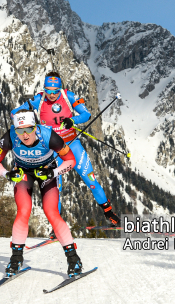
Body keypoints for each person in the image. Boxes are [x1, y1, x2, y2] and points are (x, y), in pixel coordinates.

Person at [11, 72, 120, 229]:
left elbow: (86, 114)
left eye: (55, 91)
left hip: (73, 145)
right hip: (52, 151)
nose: (52, 94)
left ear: (60, 89)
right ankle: (57, 227)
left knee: (91, 181)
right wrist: (26, 123)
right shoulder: (38, 100)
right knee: (56, 189)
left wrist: (72, 120)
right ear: (44, 89)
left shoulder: (68, 96)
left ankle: (109, 214)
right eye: (48, 90)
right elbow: (14, 113)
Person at [0, 109, 83, 278]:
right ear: (15, 129)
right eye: (20, 130)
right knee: (23, 211)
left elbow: (71, 160)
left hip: (46, 171)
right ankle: (16, 259)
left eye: (29, 129)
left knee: (51, 211)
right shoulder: (9, 137)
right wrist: (8, 174)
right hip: (23, 173)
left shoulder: (49, 136)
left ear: (36, 126)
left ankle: (73, 259)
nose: (25, 135)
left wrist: (52, 173)